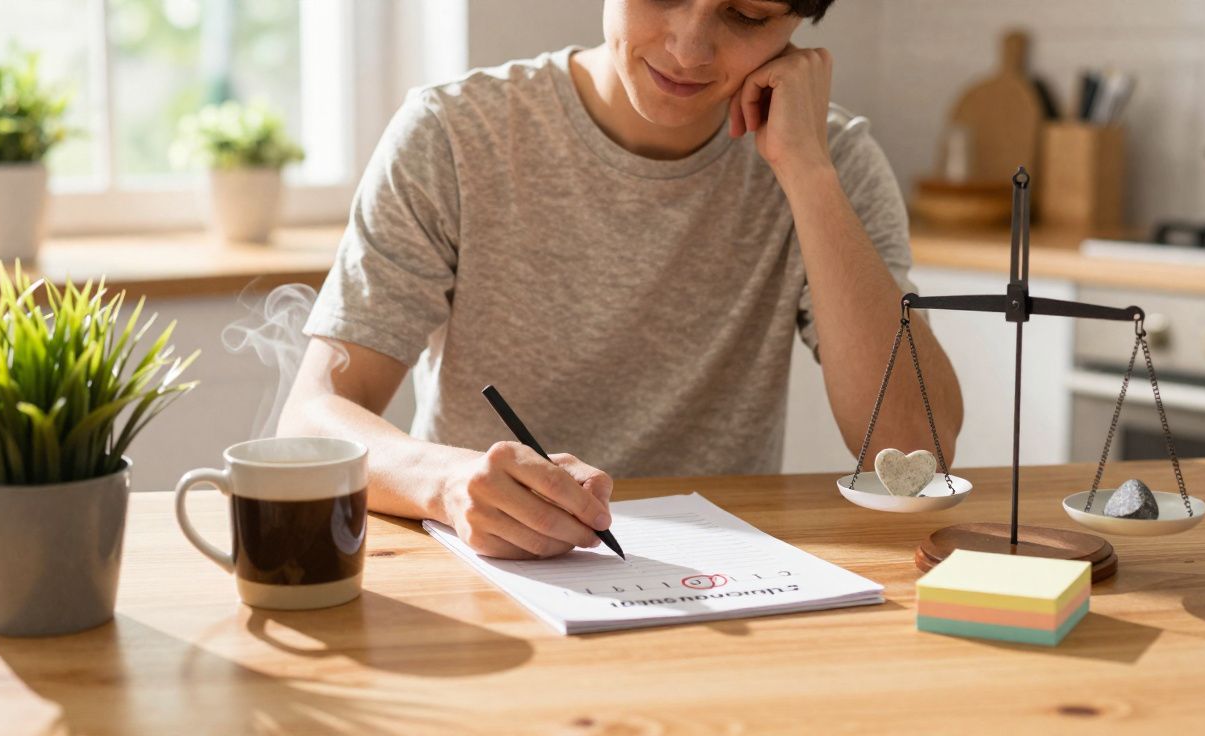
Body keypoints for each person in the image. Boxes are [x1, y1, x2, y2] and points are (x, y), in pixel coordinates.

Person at [279, 0, 963, 560]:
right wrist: (448, 482)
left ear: (797, 28)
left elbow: (914, 448)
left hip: (720, 579)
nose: (690, 47)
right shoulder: (453, 135)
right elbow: (310, 421)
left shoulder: (832, 160)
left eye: (747, 16)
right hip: (486, 571)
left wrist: (807, 174)